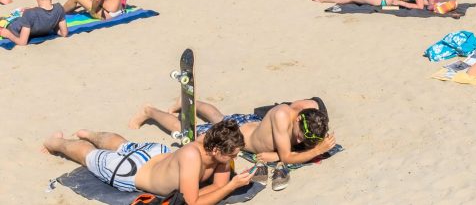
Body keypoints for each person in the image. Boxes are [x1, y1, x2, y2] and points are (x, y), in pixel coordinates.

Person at [130, 98, 333, 189]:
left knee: (219, 117)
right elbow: (288, 157)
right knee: (188, 133)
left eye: (305, 141)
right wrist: (319, 149)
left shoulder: (310, 115)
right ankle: (150, 111)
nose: (300, 141)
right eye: (299, 136)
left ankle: (185, 103)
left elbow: (313, 110)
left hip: (249, 125)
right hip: (241, 135)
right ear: (298, 119)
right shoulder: (282, 114)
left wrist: (276, 155)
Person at [43, 120, 251, 202]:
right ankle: (55, 143)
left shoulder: (217, 142)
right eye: (232, 155)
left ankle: (89, 132)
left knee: (123, 145)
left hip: (155, 154)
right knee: (88, 155)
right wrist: (232, 186)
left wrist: (223, 187)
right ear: (215, 150)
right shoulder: (191, 155)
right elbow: (192, 202)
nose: (235, 159)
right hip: (131, 171)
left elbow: (218, 186)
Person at [0, 0, 67, 47]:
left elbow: (22, 42)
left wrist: (8, 34)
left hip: (13, 27)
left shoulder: (30, 14)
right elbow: (64, 33)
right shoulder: (59, 9)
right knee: (24, 12)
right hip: (31, 19)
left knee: (15, 16)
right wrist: (51, 23)